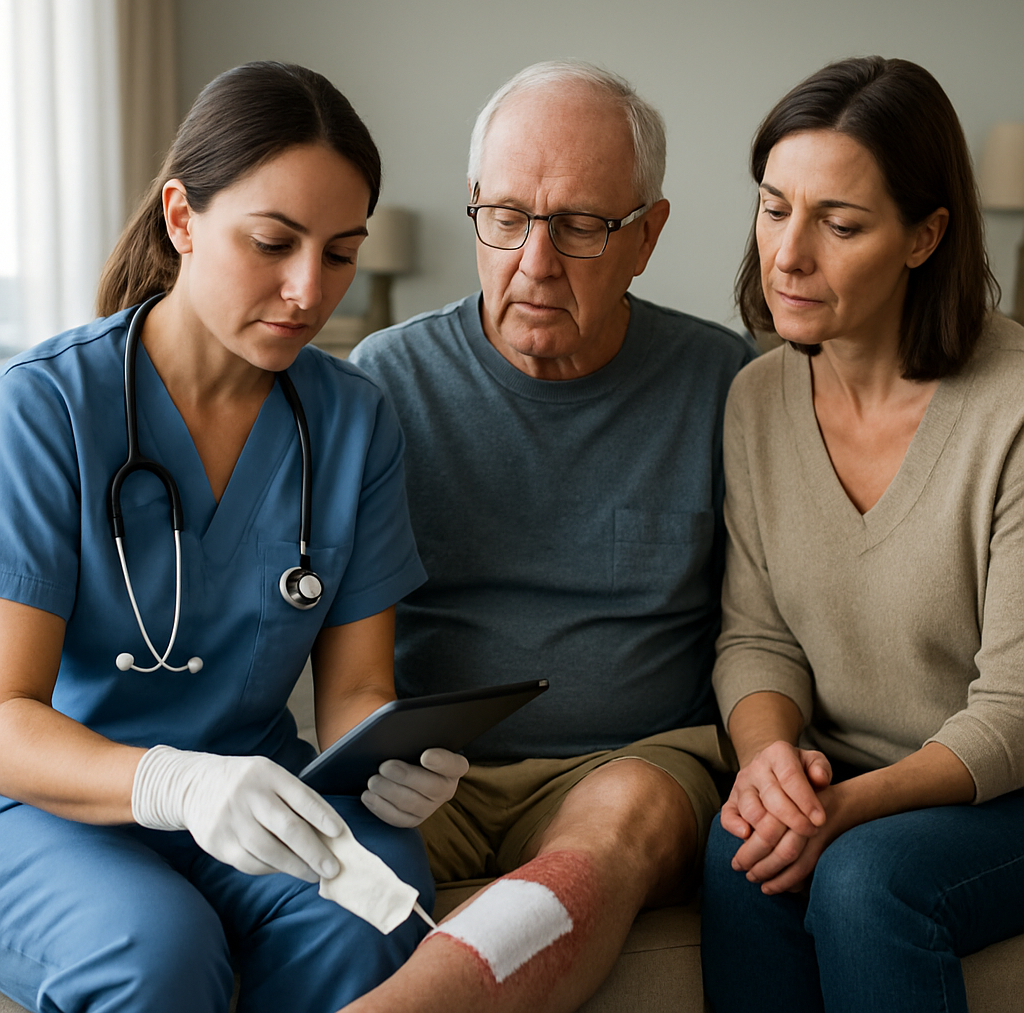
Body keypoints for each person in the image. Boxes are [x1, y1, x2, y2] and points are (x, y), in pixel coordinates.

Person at [0, 61, 470, 1013]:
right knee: (156, 952)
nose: (308, 290)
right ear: (181, 218)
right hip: (55, 805)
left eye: (340, 254)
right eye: (273, 242)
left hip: (260, 790)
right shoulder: (48, 408)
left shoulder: (351, 424)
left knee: (370, 916)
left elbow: (358, 691)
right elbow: (5, 716)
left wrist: (393, 761)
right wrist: (174, 785)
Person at [346, 61, 755, 1013]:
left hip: (629, 764)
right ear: (475, 211)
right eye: (507, 218)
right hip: (425, 771)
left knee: (612, 834)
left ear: (647, 235)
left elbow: (767, 625)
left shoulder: (726, 388)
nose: (535, 262)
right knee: (316, 873)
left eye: (580, 225)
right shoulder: (381, 383)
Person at [700, 55, 1024, 1013]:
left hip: (1002, 785)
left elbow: (1014, 710)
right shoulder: (757, 397)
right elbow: (754, 637)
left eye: (839, 224)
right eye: (773, 207)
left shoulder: (1010, 406)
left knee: (861, 876)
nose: (788, 253)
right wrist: (770, 767)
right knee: (742, 848)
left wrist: (839, 811)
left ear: (926, 236)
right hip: (843, 771)